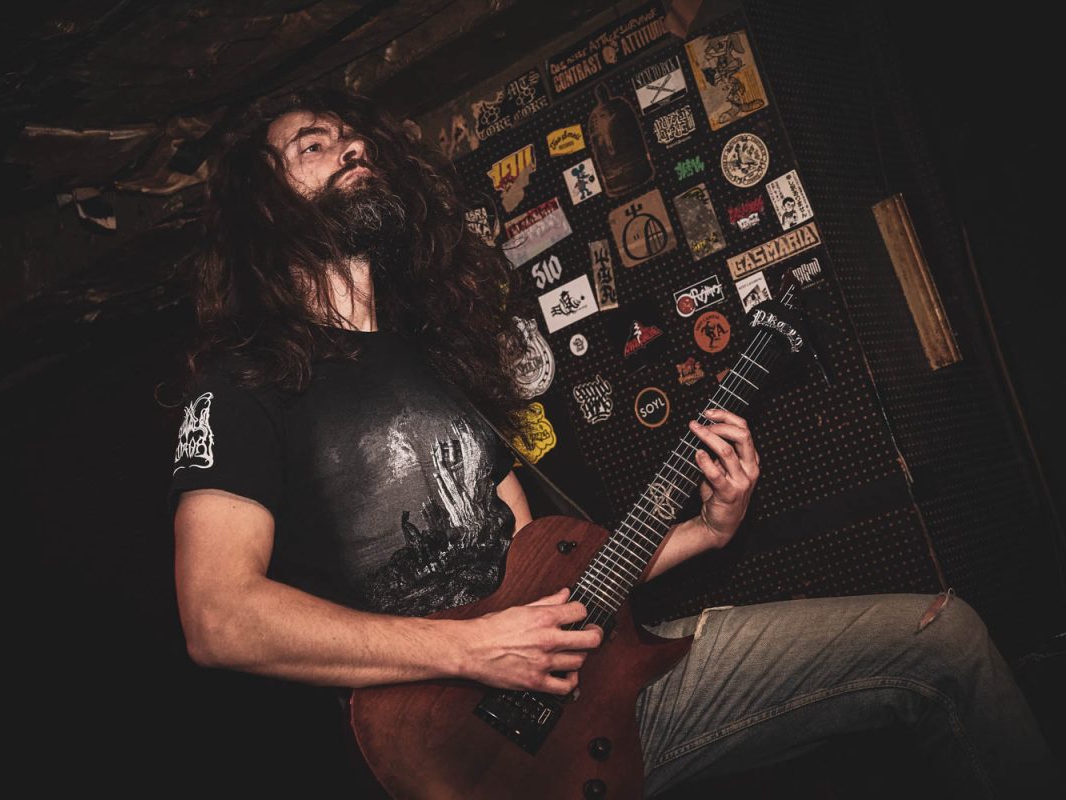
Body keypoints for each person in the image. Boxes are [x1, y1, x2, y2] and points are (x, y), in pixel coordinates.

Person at [167, 88, 1060, 797]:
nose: (353, 149)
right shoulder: (244, 385)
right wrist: (469, 650)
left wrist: (706, 531)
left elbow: (550, 578)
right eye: (315, 145)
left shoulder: (440, 365)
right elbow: (219, 618)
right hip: (456, 758)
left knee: (944, 643)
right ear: (262, 205)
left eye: (356, 139)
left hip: (598, 689)